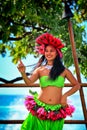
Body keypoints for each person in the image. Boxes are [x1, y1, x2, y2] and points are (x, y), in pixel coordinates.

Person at [17, 33, 80, 130]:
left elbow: (77, 85)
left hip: (56, 111)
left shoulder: (64, 71)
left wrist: (65, 95)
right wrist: (23, 73)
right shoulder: (40, 70)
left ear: (57, 53)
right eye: (46, 51)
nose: (48, 53)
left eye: (51, 51)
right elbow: (29, 83)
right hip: (40, 109)